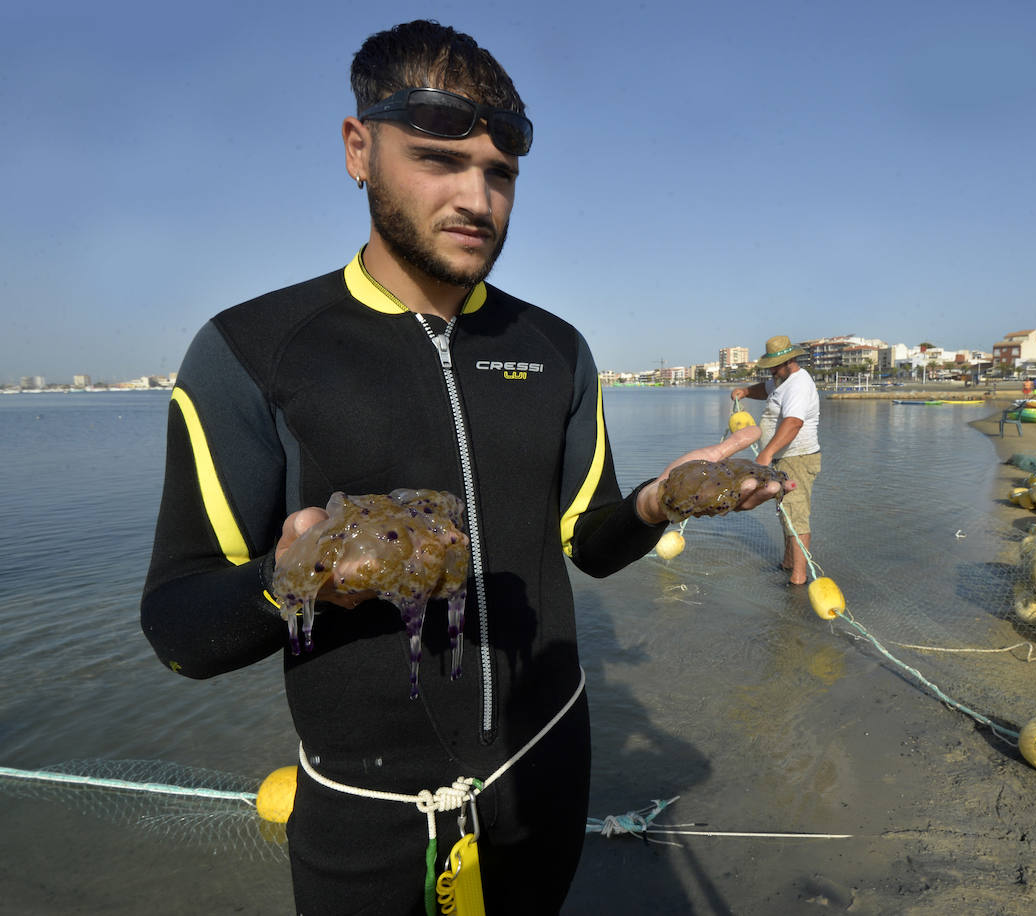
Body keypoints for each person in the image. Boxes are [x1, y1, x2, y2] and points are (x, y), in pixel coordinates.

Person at [140, 21, 786, 916]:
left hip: (545, 775)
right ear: (358, 148)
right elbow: (178, 630)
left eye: (501, 174)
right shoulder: (252, 350)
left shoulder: (555, 348)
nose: (477, 197)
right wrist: (295, 576)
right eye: (440, 160)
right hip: (365, 820)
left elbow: (585, 545)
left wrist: (658, 501)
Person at [730, 335, 822, 586]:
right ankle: (788, 563)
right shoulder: (782, 380)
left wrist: (767, 453)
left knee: (797, 514)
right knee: (786, 513)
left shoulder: (798, 385)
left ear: (790, 361)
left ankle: (798, 578)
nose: (771, 371)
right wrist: (746, 392)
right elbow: (765, 389)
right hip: (785, 458)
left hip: (797, 458)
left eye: (775, 366)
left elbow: (793, 423)